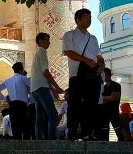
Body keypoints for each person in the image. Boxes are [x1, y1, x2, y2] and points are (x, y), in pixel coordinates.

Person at [61, 9, 102, 140]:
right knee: (75, 105)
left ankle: (87, 133)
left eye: (90, 17)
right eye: (85, 17)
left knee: (91, 105)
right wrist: (85, 60)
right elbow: (68, 52)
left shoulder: (93, 38)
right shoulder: (69, 35)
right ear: (77, 20)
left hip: (93, 75)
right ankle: (72, 132)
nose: (89, 20)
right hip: (77, 75)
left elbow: (99, 56)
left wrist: (101, 65)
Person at [30, 32, 64, 140]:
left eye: (49, 40)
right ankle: (52, 138)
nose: (49, 43)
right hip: (41, 89)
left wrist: (52, 89)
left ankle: (39, 140)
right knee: (53, 114)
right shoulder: (42, 52)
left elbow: (43, 75)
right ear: (40, 41)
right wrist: (57, 87)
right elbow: (46, 72)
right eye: (46, 40)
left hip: (35, 89)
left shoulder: (37, 54)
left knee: (40, 117)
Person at [0, 62, 32, 139]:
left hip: (12, 106)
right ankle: (26, 144)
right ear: (21, 70)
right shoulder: (24, 78)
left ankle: (17, 144)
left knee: (15, 127)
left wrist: (5, 98)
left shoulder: (7, 80)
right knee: (26, 127)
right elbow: (32, 89)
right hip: (22, 106)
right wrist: (30, 101)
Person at [98, 67, 125, 141]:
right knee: (105, 135)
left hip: (114, 112)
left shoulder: (116, 85)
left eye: (105, 75)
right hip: (104, 113)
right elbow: (100, 100)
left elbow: (114, 98)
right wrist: (109, 97)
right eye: (103, 75)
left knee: (119, 134)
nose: (104, 77)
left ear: (110, 75)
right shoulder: (103, 87)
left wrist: (104, 98)